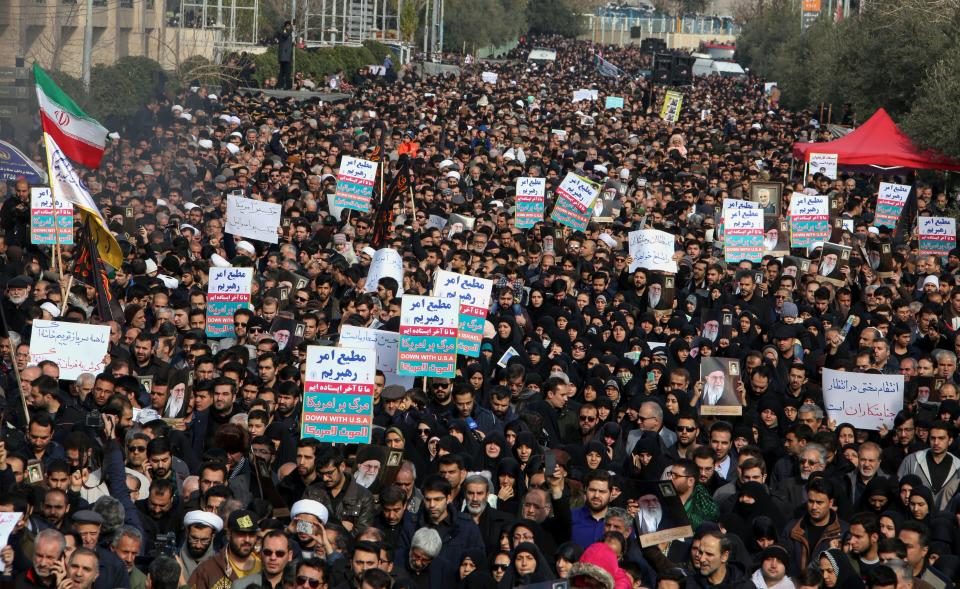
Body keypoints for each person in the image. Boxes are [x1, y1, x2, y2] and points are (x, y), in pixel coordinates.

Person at [276, 21, 294, 90]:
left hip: (287, 56)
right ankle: (286, 85)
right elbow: (285, 35)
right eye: (288, 26)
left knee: (283, 72)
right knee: (286, 72)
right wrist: (291, 30)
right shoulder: (283, 31)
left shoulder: (289, 33)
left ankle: (280, 85)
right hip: (284, 56)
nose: (289, 27)